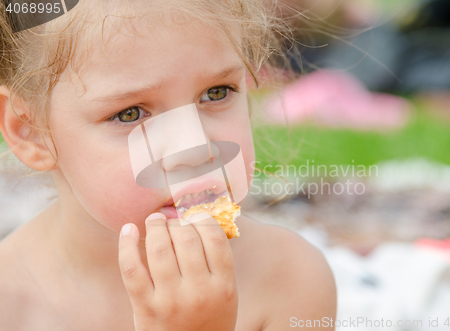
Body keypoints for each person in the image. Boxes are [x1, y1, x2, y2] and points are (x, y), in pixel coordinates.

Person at [0, 0, 337, 330]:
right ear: (32, 133)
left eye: (217, 92)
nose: (195, 150)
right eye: (130, 113)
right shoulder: (10, 302)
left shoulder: (290, 278)